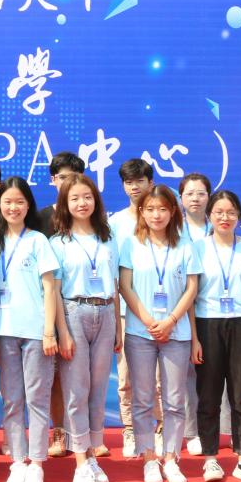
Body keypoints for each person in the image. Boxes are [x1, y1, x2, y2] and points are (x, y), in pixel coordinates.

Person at [119, 185, 202, 482]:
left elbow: (192, 288)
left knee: (174, 400)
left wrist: (170, 321)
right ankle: (148, 459)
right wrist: (148, 320)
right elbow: (124, 286)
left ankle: (171, 458)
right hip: (139, 332)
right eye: (151, 209)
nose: (157, 215)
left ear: (173, 211)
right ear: (142, 212)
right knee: (142, 399)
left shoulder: (186, 246)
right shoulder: (131, 244)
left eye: (163, 209)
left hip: (176, 333)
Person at [191, 190, 241, 482]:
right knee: (209, 395)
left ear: (239, 216)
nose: (225, 218)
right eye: (219, 212)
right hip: (207, 325)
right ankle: (210, 458)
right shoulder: (197, 249)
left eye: (231, 212)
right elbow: (190, 297)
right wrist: (194, 338)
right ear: (209, 215)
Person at [0, 176, 62, 482]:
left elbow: (50, 288)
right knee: (12, 400)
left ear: (28, 205)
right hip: (3, 332)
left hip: (35, 332)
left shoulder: (38, 241)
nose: (13, 207)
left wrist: (49, 331)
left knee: (37, 399)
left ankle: (37, 464)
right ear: (0, 205)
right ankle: (18, 461)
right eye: (7, 202)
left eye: (19, 202)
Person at [49, 174, 120, 482]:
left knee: (98, 389)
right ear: (65, 203)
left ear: (96, 201)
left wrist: (118, 326)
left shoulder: (108, 238)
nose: (82, 203)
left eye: (87, 197)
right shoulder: (58, 242)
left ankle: (92, 455)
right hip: (74, 312)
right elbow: (55, 291)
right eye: (74, 198)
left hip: (105, 312)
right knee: (76, 390)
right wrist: (62, 332)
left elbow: (115, 285)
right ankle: (80, 461)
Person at [35, 151, 87, 459]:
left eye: (74, 178)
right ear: (53, 180)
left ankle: (85, 434)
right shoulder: (41, 218)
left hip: (82, 306)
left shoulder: (90, 218)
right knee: (53, 376)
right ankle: (58, 431)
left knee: (81, 375)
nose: (68, 184)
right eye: (62, 178)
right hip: (48, 306)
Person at [107, 158, 156, 458]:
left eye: (140, 180)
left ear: (151, 182)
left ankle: (158, 429)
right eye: (129, 182)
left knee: (159, 380)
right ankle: (129, 430)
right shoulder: (115, 223)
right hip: (126, 311)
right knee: (126, 378)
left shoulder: (165, 215)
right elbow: (113, 272)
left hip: (161, 313)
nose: (134, 186)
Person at [178, 172, 213, 456]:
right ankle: (191, 431)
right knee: (188, 374)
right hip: (182, 309)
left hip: (215, 310)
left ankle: (217, 428)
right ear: (181, 198)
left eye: (201, 193)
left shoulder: (221, 225)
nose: (195, 199)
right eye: (189, 193)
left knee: (216, 373)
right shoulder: (174, 230)